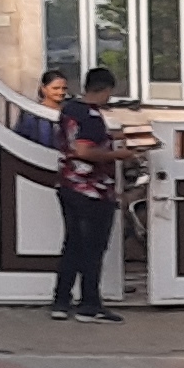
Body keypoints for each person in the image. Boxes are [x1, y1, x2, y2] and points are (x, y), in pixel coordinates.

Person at [36, 68, 123, 323]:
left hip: (68, 185)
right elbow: (84, 150)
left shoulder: (71, 109)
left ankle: (61, 302)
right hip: (92, 191)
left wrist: (115, 136)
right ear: (106, 90)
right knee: (93, 248)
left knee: (72, 245)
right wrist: (120, 155)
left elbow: (79, 140)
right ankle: (90, 305)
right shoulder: (93, 116)